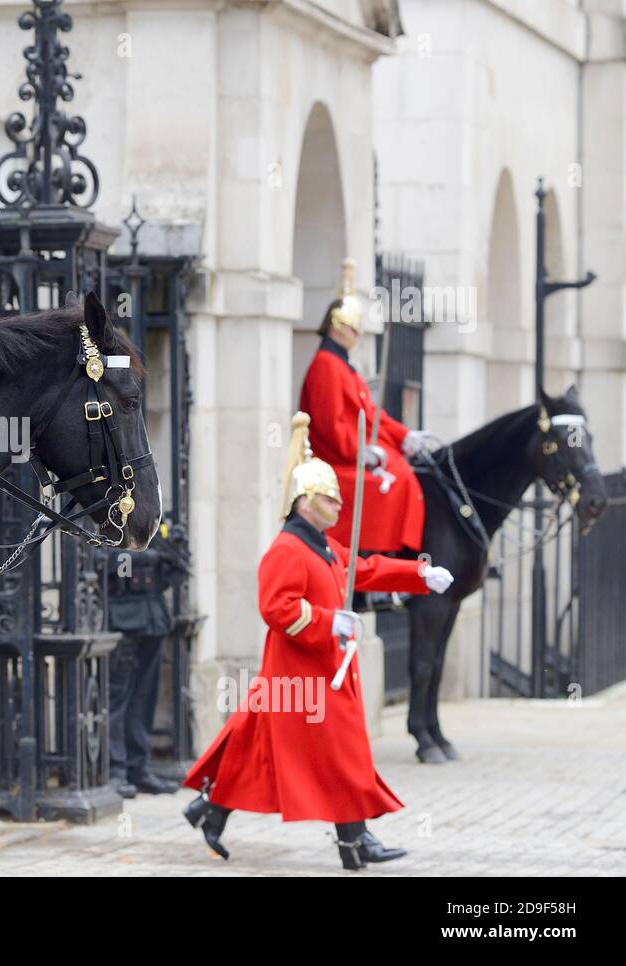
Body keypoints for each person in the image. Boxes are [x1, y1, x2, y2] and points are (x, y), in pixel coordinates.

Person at [180, 413, 455, 870]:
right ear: (305, 500)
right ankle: (356, 843)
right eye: (330, 498)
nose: (338, 506)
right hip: (303, 672)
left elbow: (365, 569)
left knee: (263, 752)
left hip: (325, 668)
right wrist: (330, 622)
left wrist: (420, 574)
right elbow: (276, 607)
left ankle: (212, 809)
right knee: (343, 755)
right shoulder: (286, 549)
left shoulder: (323, 546)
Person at [297, 258, 433, 553]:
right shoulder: (326, 367)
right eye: (353, 328)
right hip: (334, 458)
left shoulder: (344, 368)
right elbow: (329, 426)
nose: (357, 335)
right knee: (396, 482)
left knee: (402, 469)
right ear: (337, 327)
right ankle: (375, 558)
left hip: (349, 453)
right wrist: (360, 453)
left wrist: (402, 436)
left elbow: (371, 416)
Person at [105, 518, 190, 797]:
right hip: (122, 621)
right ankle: (116, 770)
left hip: (152, 620)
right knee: (118, 698)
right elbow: (102, 562)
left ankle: (138, 767)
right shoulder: (106, 517)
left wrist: (174, 551)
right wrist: (146, 558)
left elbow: (175, 576)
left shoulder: (154, 523)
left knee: (144, 696)